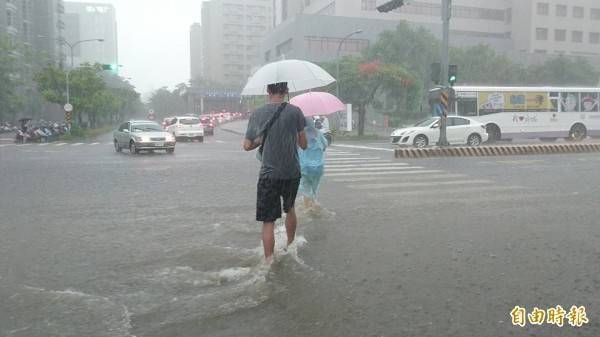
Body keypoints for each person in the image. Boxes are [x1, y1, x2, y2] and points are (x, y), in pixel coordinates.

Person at [243, 82, 308, 261]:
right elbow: (304, 144)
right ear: (286, 91)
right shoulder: (295, 112)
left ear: (268, 91)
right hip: (291, 172)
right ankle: (289, 244)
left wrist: (262, 140)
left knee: (268, 221)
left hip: (268, 175)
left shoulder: (257, 113)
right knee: (290, 208)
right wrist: (291, 135)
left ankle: (269, 261)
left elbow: (247, 146)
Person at [298, 117, 328, 210]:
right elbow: (325, 145)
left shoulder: (300, 134)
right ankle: (313, 203)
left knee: (306, 188)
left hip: (305, 167)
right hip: (319, 167)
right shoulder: (318, 133)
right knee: (314, 187)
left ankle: (308, 209)